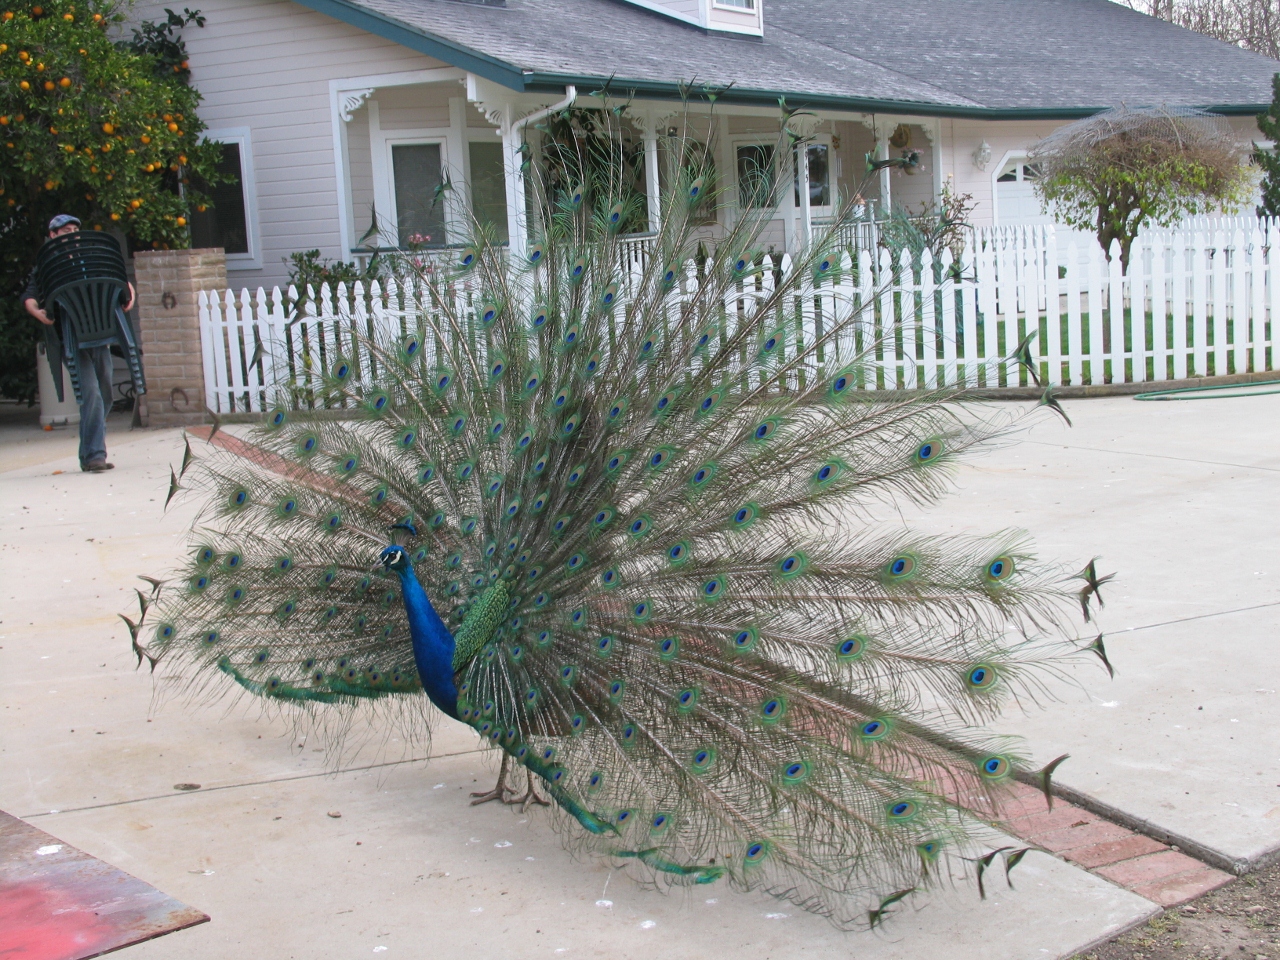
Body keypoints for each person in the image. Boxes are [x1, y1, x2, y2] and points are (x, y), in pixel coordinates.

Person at [21, 215, 136, 473]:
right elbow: (29, 297)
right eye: (65, 231)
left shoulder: (90, 259)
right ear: (53, 235)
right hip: (69, 342)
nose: (71, 234)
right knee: (91, 394)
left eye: (74, 230)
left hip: (99, 336)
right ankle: (95, 454)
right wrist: (38, 313)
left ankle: (88, 454)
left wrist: (130, 294)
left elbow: (118, 279)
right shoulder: (46, 267)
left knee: (104, 394)